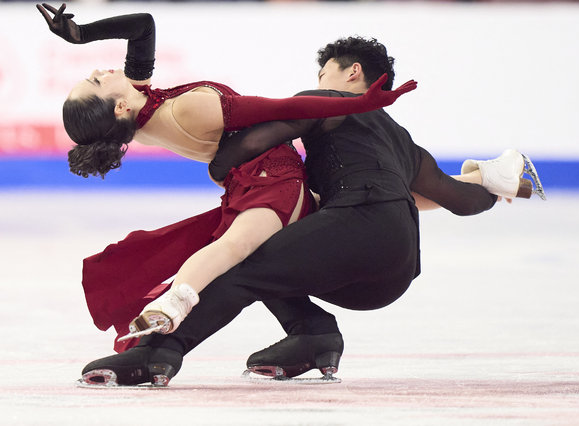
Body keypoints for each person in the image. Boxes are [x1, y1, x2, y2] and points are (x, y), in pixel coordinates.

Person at [78, 35, 544, 387]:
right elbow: (453, 200)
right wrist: (493, 183)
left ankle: (159, 352)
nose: (320, 83)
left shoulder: (329, 103)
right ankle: (313, 333)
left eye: (325, 74)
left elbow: (257, 138)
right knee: (275, 254)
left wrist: (222, 165)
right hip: (396, 268)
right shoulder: (401, 140)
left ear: (353, 73)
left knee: (243, 265)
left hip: (356, 228)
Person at [37, 3, 417, 347]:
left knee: (248, 258)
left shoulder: (138, 105)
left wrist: (81, 34)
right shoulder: (187, 110)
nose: (97, 70)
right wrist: (358, 102)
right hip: (271, 178)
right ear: (119, 105)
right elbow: (281, 108)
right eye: (95, 81)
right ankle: (172, 306)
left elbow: (143, 26)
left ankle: (312, 333)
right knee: (235, 252)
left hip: (252, 178)